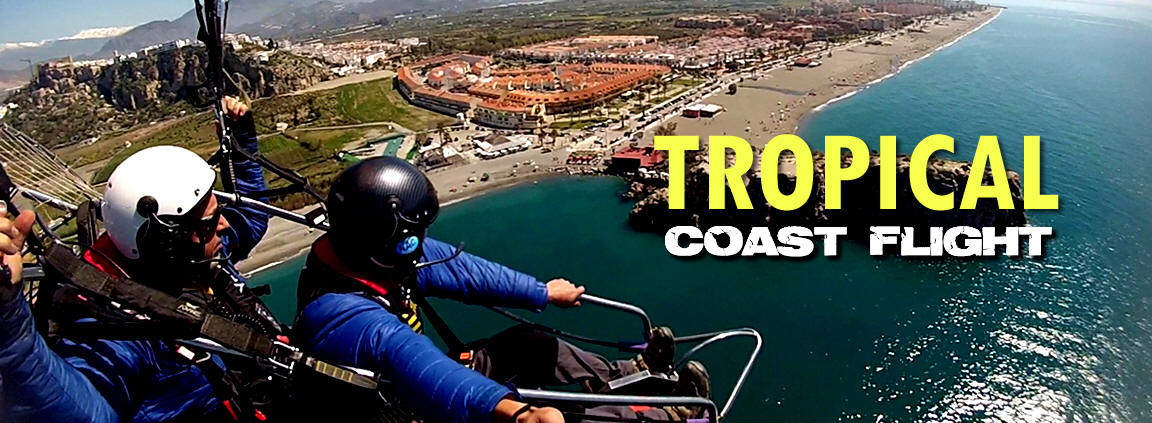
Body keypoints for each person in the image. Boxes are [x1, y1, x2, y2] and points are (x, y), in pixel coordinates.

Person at [292, 157, 712, 423]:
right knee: (564, 416)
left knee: (532, 344)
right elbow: (417, 366)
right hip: (411, 406)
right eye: (414, 238)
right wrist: (515, 413)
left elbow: (461, 270)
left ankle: (626, 376)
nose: (421, 245)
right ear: (387, 244)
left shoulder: (362, 254)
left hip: (419, 386)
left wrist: (540, 292)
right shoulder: (341, 317)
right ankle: (667, 417)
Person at [0, 97, 283, 422]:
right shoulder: (120, 326)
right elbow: (87, 412)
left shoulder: (197, 258)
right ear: (167, 241)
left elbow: (251, 220)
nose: (224, 225)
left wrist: (242, 141)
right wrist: (9, 323)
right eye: (210, 221)